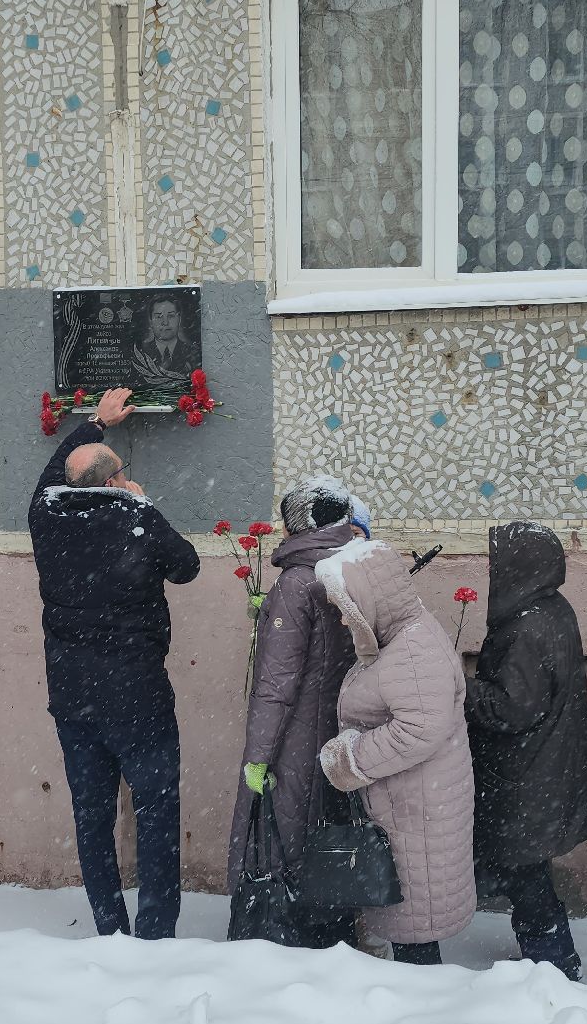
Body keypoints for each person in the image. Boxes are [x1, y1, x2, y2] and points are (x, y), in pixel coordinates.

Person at [30, 388, 201, 939]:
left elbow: (51, 477)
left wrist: (93, 425)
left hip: (72, 696)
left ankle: (109, 925)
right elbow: (187, 567)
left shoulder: (47, 516)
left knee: (92, 813)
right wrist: (141, 504)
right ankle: (155, 929)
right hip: (138, 694)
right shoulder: (137, 521)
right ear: (113, 483)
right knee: (156, 806)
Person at [316, 540, 475, 964]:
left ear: (369, 601)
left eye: (344, 606)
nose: (341, 617)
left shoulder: (413, 650)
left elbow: (420, 728)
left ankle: (423, 1014)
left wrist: (351, 760)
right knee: (412, 921)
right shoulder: (401, 636)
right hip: (411, 803)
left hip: (418, 807)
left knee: (415, 930)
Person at [227, 478, 358, 948]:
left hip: (295, 738)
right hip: (338, 730)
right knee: (324, 827)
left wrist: (259, 756)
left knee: (285, 835)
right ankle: (330, 928)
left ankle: (284, 938)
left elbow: (276, 686)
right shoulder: (347, 567)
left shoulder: (297, 582)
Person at [465, 521, 587, 981]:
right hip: (542, 768)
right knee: (525, 868)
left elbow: (512, 708)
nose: (492, 572)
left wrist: (461, 689)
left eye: (498, 563)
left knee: (526, 872)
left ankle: (554, 964)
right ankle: (551, 955)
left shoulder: (528, 626)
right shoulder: (551, 610)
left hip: (527, 772)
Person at [130, 296, 201, 386]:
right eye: (159, 317)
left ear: (179, 319)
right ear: (151, 321)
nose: (165, 322)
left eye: (171, 316)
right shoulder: (140, 353)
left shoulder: (193, 353)